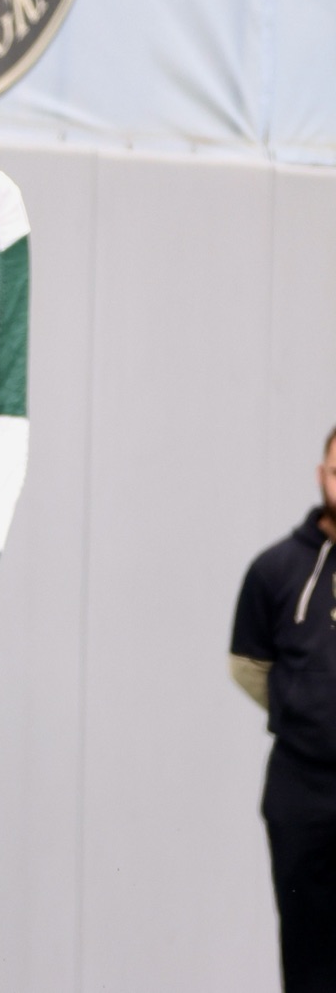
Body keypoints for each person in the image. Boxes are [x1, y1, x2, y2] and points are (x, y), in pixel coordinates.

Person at [231, 425, 336, 992]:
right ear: (321, 476)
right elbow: (249, 667)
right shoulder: (274, 569)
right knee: (308, 952)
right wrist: (306, 712)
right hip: (301, 791)